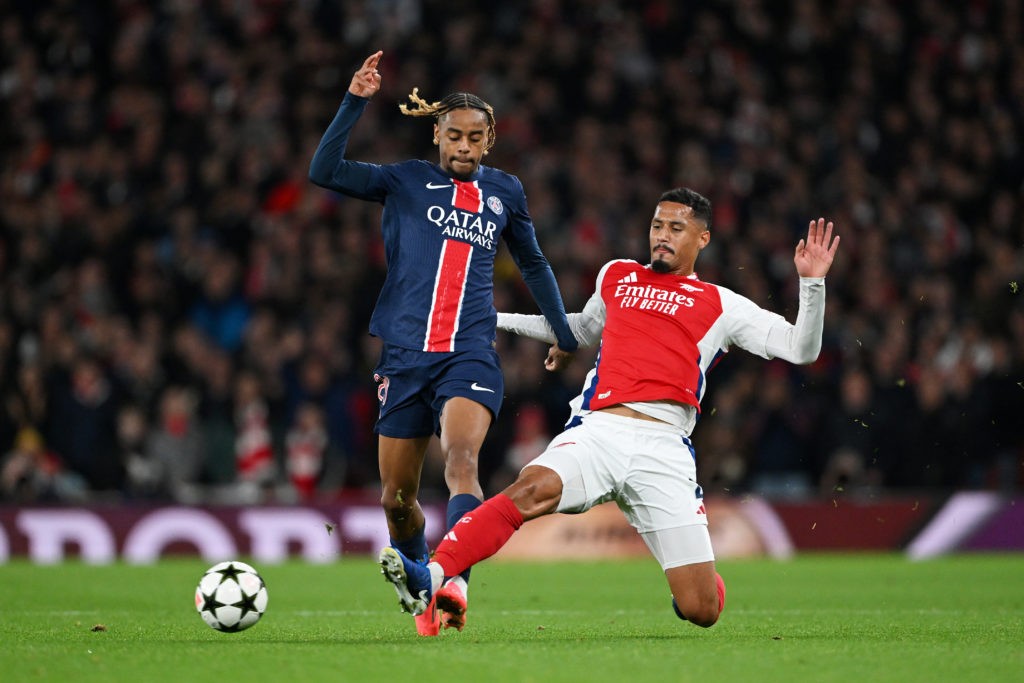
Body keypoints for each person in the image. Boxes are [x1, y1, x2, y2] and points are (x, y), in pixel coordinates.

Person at [379, 187, 840, 630]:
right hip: (599, 431)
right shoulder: (617, 274)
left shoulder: (722, 303)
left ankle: (700, 581)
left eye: (676, 228)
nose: (662, 234)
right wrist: (493, 319)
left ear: (702, 239)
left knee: (701, 609)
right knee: (530, 488)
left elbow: (802, 350)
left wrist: (811, 283)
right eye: (657, 225)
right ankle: (433, 576)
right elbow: (578, 329)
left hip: (664, 448)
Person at [308, 51, 578, 635]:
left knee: (460, 461)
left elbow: (534, 266)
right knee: (396, 498)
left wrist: (564, 333)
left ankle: (452, 581)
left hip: (469, 352)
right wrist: (355, 99)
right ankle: (415, 578)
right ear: (436, 134)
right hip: (404, 356)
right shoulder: (404, 179)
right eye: (453, 135)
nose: (463, 146)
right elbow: (324, 171)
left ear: (489, 141)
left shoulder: (505, 192)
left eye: (474, 138)